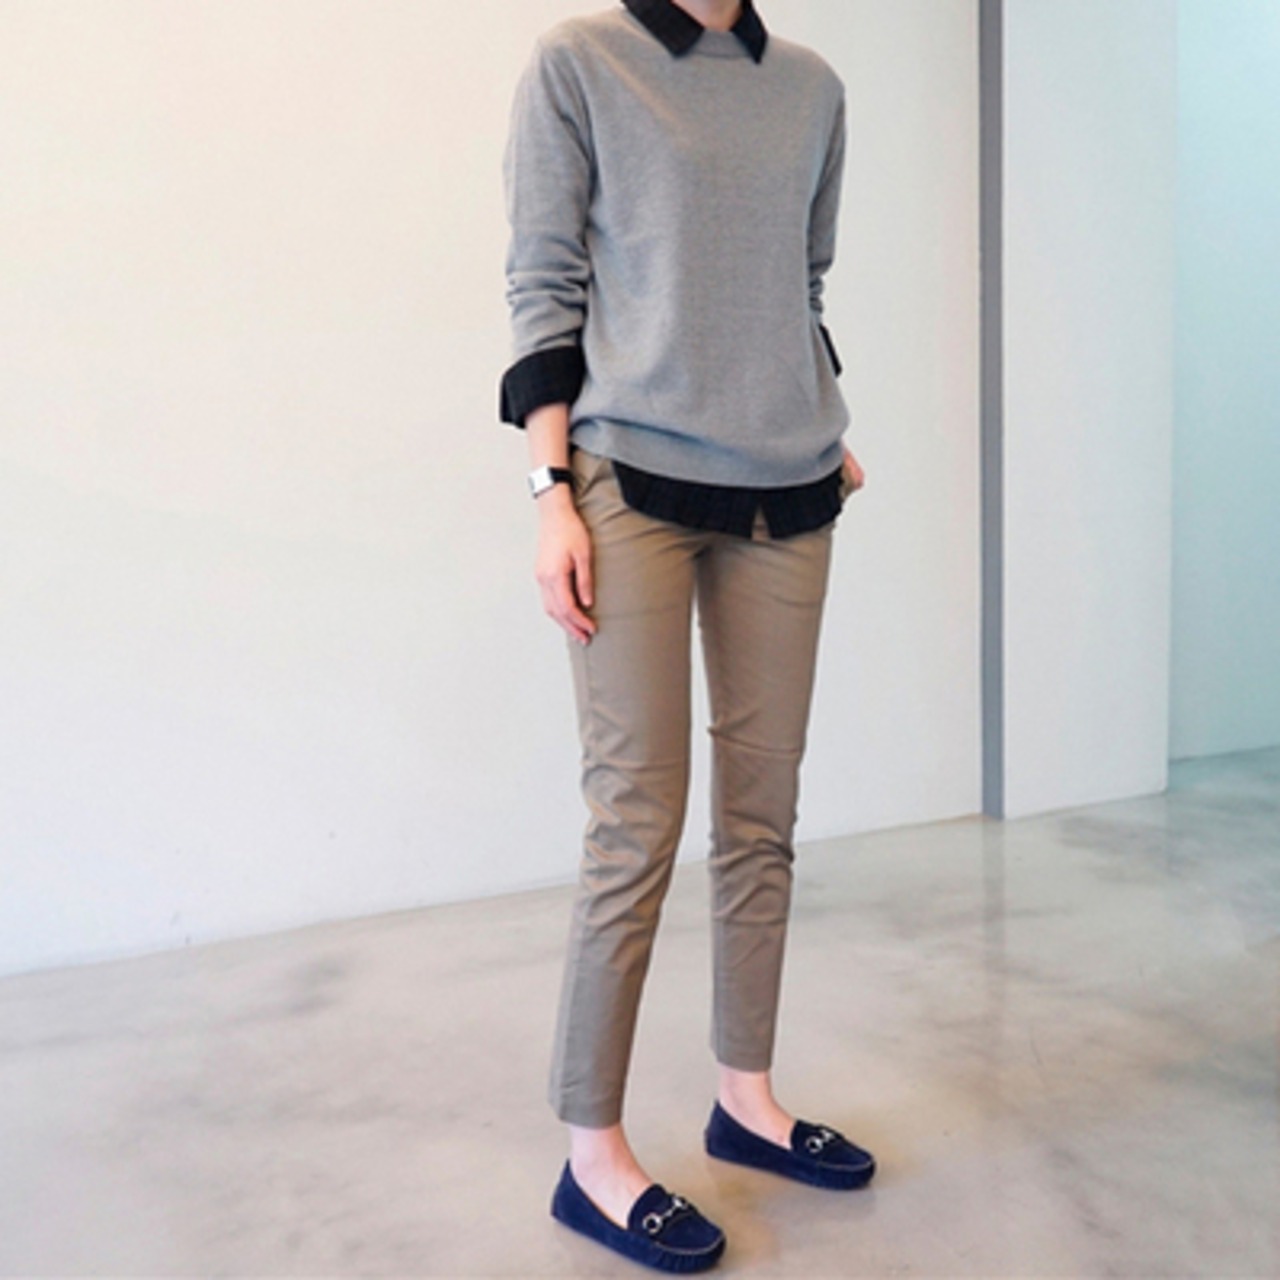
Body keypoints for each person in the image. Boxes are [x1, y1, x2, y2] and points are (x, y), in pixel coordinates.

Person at [500, 0, 874, 1270]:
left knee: (762, 813)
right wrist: (550, 492)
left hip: (790, 484)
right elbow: (544, 282)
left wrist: (813, 408)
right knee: (635, 824)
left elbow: (796, 282)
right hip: (629, 480)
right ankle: (591, 1156)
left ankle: (746, 1101)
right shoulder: (581, 61)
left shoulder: (811, 87)